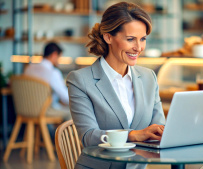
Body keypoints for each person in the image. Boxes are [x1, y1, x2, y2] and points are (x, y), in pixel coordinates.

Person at [67, 2, 165, 169]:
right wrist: (134, 135)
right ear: (108, 37)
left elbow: (159, 127)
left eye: (142, 39)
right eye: (130, 39)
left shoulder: (149, 77)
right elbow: (88, 137)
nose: (139, 47)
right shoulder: (80, 80)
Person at [24, 42, 71, 120]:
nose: (59, 61)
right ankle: (57, 132)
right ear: (54, 54)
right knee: (73, 113)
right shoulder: (53, 72)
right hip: (44, 111)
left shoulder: (29, 68)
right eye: (59, 57)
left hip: (25, 109)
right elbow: (65, 97)